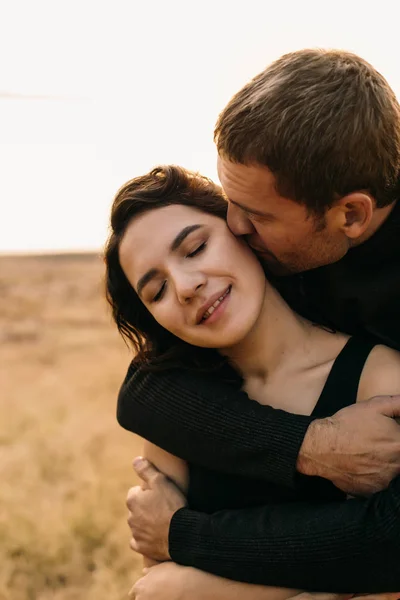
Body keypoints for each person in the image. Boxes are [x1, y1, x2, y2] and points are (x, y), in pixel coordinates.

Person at [117, 49, 400, 593]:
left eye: (259, 215)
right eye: (230, 201)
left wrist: (184, 541)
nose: (236, 227)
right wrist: (308, 443)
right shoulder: (284, 248)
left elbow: (392, 541)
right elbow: (144, 393)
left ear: (351, 215)